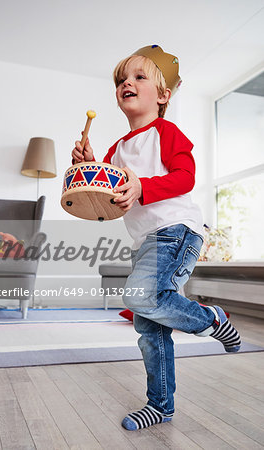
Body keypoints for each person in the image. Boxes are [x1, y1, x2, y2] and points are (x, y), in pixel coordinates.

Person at [72, 45, 241, 431]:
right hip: (146, 240)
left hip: (177, 229)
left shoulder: (166, 132)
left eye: (138, 77)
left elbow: (186, 177)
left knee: (140, 297)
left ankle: (210, 319)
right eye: (121, 80)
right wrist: (86, 166)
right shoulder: (115, 150)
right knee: (149, 325)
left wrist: (142, 187)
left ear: (163, 96)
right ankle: (160, 406)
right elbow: (105, 197)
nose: (126, 83)